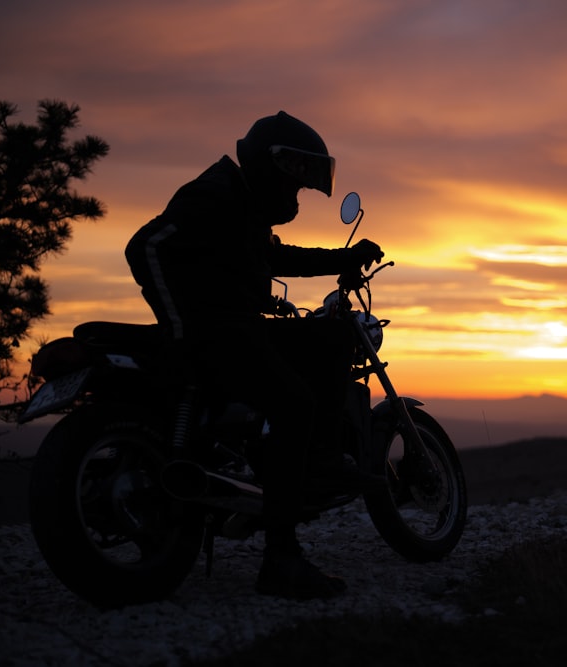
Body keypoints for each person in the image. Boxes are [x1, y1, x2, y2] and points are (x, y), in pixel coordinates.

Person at [125, 111, 385, 600]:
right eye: (295, 184)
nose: (296, 197)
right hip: (216, 334)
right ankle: (282, 559)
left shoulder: (242, 205)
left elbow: (276, 256)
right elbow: (145, 248)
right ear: (275, 167)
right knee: (294, 404)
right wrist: (181, 329)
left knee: (331, 338)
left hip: (238, 329)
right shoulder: (213, 196)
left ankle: (321, 460)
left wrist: (344, 258)